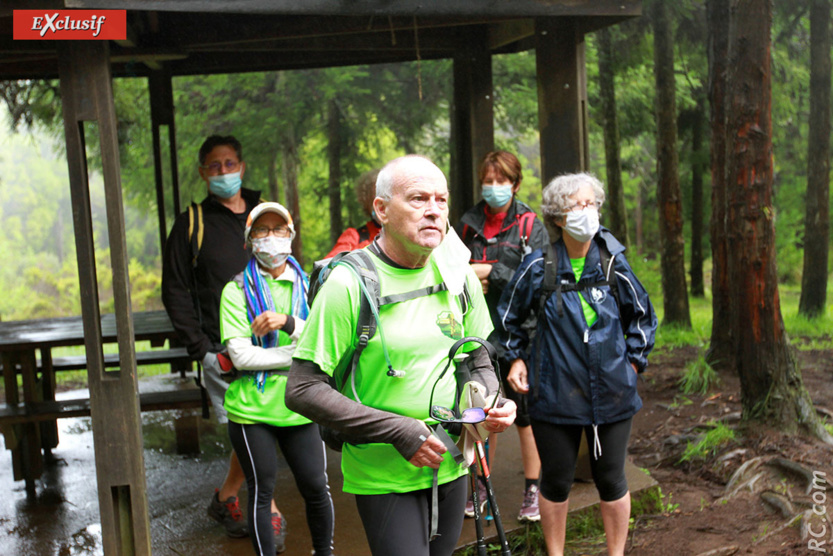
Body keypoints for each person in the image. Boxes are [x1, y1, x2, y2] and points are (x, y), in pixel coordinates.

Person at [285, 155, 517, 556]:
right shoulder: (349, 284)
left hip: (450, 463)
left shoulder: (457, 273)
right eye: (417, 199)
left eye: (441, 201)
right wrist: (399, 430)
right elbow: (302, 388)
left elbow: (477, 358)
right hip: (383, 473)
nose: (433, 210)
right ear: (382, 210)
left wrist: (492, 403)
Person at [497, 172, 657, 556]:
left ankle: (616, 553)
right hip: (555, 393)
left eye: (592, 204)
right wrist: (515, 357)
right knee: (555, 481)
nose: (588, 212)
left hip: (613, 395)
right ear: (557, 217)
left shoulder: (614, 264)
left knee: (612, 480)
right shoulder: (538, 267)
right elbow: (508, 318)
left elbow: (642, 318)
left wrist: (632, 367)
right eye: (577, 206)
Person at [161, 135, 281, 538]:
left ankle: (228, 494)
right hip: (223, 349)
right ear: (203, 172)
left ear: (242, 167)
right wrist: (201, 349)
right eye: (215, 166)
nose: (224, 172)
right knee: (249, 427)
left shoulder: (264, 216)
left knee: (262, 425)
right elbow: (175, 289)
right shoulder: (191, 223)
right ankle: (270, 512)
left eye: (230, 164)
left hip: (273, 345)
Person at [219, 202, 335, 555]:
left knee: (317, 487)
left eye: (279, 230)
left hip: (301, 402)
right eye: (262, 231)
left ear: (291, 236)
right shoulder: (235, 291)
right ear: (249, 240)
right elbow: (241, 356)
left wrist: (287, 322)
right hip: (252, 409)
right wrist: (297, 353)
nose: (271, 238)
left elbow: (324, 340)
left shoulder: (314, 286)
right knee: (262, 492)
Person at [455, 150, 548, 523]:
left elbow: (536, 280)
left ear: (515, 183)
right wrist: (495, 272)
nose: (493, 188)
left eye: (501, 180)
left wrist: (489, 272)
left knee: (524, 416)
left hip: (518, 333)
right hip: (478, 331)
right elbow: (456, 273)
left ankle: (533, 489)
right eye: (488, 180)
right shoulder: (467, 223)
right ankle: (481, 487)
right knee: (480, 411)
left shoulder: (529, 225)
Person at [325, 168, 382, 258]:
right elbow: (328, 265)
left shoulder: (405, 235)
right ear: (366, 202)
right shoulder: (354, 237)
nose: (381, 206)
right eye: (374, 198)